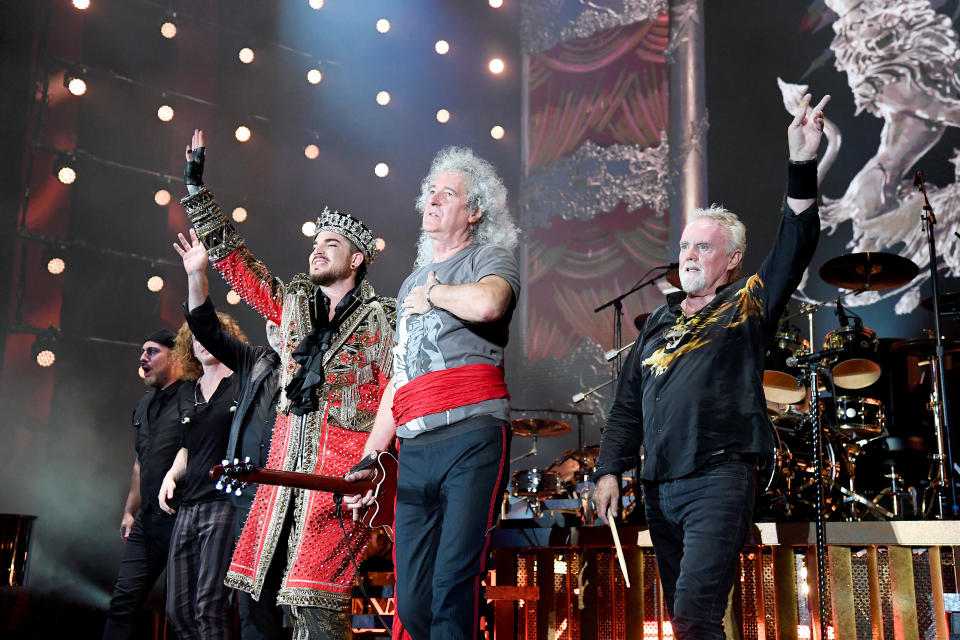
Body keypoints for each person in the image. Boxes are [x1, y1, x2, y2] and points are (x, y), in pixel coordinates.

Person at [593, 93, 829, 640]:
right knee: (685, 622)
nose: (690, 255)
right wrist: (610, 470)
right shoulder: (657, 322)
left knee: (696, 618)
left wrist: (800, 163)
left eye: (703, 247)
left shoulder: (747, 303)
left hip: (718, 479)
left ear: (733, 260)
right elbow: (627, 405)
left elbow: (795, 244)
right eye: (684, 246)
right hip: (658, 486)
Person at [179, 129, 395, 640]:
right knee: (258, 607)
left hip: (337, 490)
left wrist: (375, 474)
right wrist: (197, 192)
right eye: (315, 244)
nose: (316, 252)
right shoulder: (295, 303)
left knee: (317, 610)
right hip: (278, 486)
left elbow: (397, 397)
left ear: (357, 259)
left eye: (331, 244)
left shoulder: (383, 319)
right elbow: (240, 265)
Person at [348, 146, 521, 640]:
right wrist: (369, 459)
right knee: (412, 597)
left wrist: (436, 293)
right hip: (414, 449)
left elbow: (490, 304)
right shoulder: (407, 286)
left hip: (472, 438)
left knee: (452, 587)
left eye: (449, 194)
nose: (434, 199)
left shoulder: (489, 258)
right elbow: (399, 378)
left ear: (474, 211)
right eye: (431, 192)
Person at [174, 228, 286, 640]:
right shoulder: (255, 362)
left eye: (287, 318)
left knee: (305, 607)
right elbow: (206, 327)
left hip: (302, 497)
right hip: (252, 501)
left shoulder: (323, 367)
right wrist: (196, 275)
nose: (277, 325)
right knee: (251, 607)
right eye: (273, 319)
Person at [158, 315, 245, 640]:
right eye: (195, 338)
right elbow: (187, 446)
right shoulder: (187, 392)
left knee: (209, 607)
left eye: (209, 335)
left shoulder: (241, 383)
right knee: (177, 611)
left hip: (224, 502)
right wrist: (171, 475)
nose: (202, 342)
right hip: (189, 504)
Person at [102, 330, 183, 640]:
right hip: (147, 521)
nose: (143, 358)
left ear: (175, 356)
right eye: (142, 351)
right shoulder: (143, 404)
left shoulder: (192, 396)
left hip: (181, 518)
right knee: (123, 602)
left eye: (152, 351)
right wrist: (129, 511)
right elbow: (140, 462)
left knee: (185, 609)